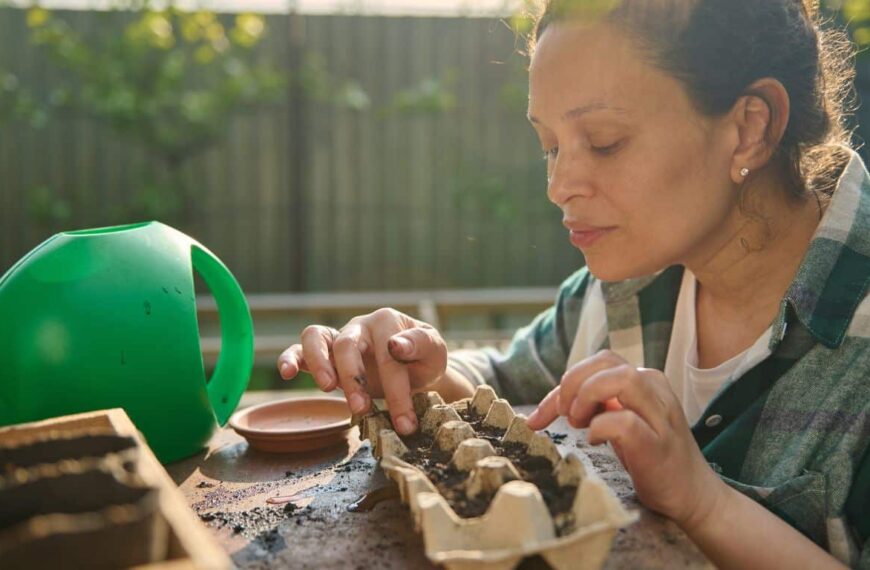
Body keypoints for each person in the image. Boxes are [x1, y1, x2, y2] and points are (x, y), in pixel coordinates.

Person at [278, 0, 870, 567]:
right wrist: (417, 368)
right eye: (550, 147)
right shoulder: (620, 290)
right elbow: (506, 386)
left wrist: (704, 502)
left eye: (605, 142)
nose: (559, 187)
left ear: (749, 127)